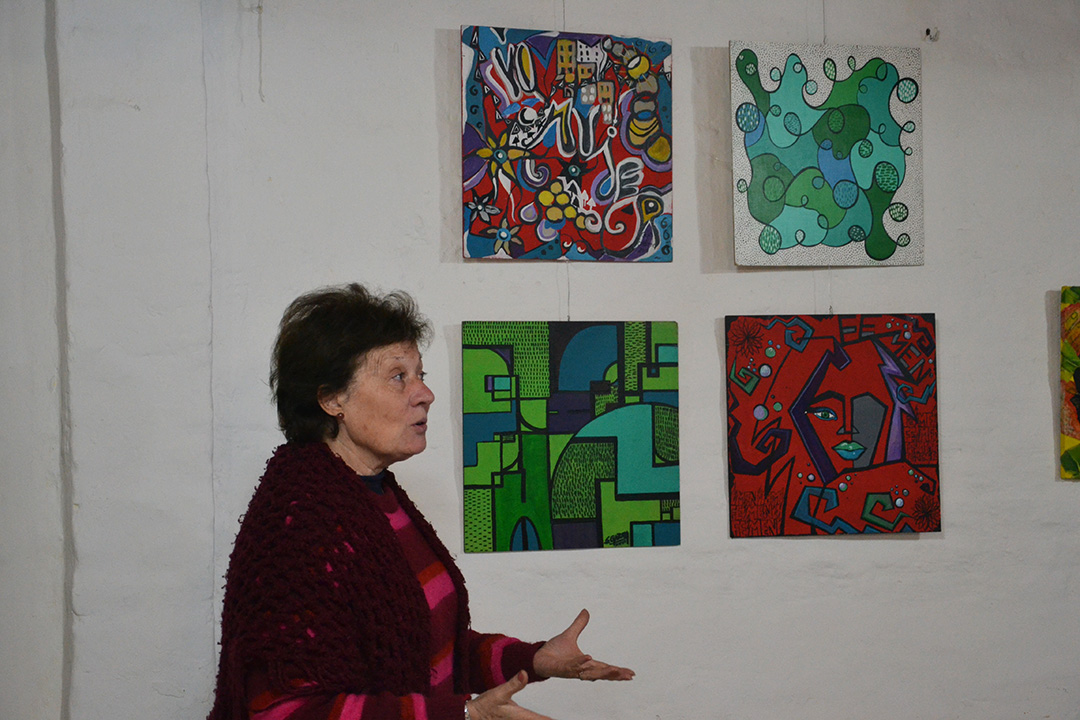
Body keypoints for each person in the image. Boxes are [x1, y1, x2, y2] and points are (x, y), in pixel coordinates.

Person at [208, 283, 634, 720]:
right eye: (398, 377)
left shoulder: (374, 495)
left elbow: (426, 650)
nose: (425, 393)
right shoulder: (300, 525)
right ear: (332, 399)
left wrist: (534, 659)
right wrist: (464, 715)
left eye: (420, 375)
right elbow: (286, 711)